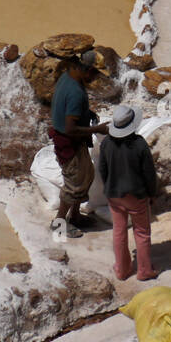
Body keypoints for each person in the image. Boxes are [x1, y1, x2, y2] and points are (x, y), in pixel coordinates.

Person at [49, 50, 109, 238]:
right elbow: (70, 129)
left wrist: (86, 113)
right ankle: (59, 222)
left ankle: (75, 215)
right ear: (87, 69)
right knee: (74, 185)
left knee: (86, 176)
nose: (96, 77)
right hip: (70, 142)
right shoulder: (76, 92)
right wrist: (97, 129)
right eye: (95, 73)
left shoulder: (67, 78)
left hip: (72, 141)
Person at [98, 104, 160, 281]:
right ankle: (145, 271)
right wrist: (152, 194)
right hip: (136, 196)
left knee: (119, 231)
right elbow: (148, 173)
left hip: (114, 195)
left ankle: (122, 270)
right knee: (141, 232)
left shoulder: (106, 143)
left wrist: (109, 187)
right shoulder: (139, 144)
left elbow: (102, 169)